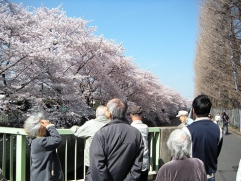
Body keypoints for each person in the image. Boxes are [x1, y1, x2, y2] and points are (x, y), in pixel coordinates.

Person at [86, 98, 144, 181]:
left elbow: (97, 165)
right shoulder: (136, 133)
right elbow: (137, 166)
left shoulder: (101, 133)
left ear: (109, 113)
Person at [182, 95, 223, 181]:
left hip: (193, 175)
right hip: (210, 175)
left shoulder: (187, 130)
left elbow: (183, 155)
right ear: (209, 111)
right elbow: (217, 152)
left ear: (194, 111)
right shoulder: (218, 129)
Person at [24, 113, 63, 181]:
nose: (45, 127)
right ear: (38, 128)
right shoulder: (40, 143)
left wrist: (47, 126)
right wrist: (50, 126)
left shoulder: (35, 140)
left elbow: (49, 136)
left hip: (40, 176)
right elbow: (57, 140)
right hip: (45, 177)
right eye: (43, 125)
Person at [70, 105, 109, 170]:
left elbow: (78, 132)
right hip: (109, 160)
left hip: (93, 160)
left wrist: (74, 127)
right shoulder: (113, 124)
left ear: (96, 114)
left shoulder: (90, 124)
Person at [129, 105, 149, 181]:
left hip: (133, 163)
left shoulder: (130, 128)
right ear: (142, 115)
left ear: (131, 115)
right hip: (144, 161)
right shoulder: (145, 127)